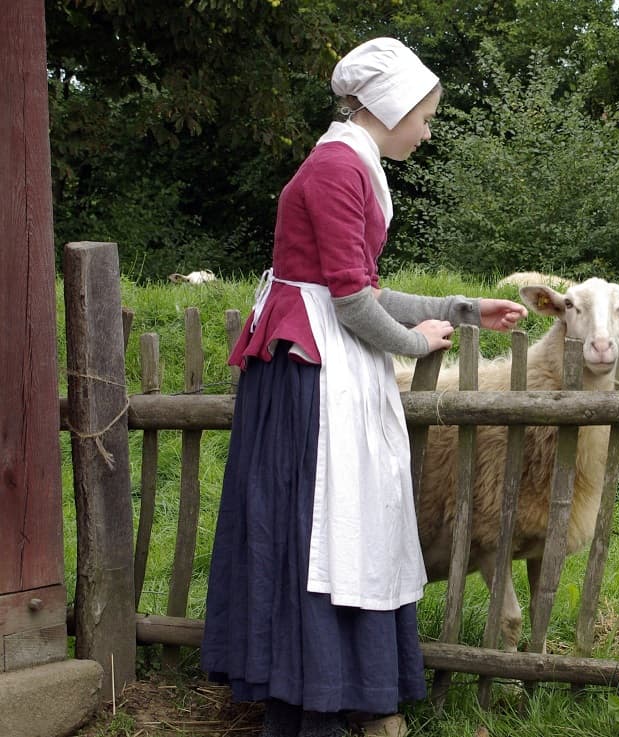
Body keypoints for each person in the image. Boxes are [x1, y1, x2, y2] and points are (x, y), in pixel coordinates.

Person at [200, 37, 527, 737]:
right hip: (310, 376)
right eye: (426, 115)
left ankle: (337, 691)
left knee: (343, 528)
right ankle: (311, 699)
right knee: (317, 530)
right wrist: (416, 343)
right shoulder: (336, 169)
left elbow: (362, 287)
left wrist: (462, 310)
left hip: (328, 366)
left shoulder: (352, 162)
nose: (428, 130)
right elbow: (351, 304)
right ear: (390, 106)